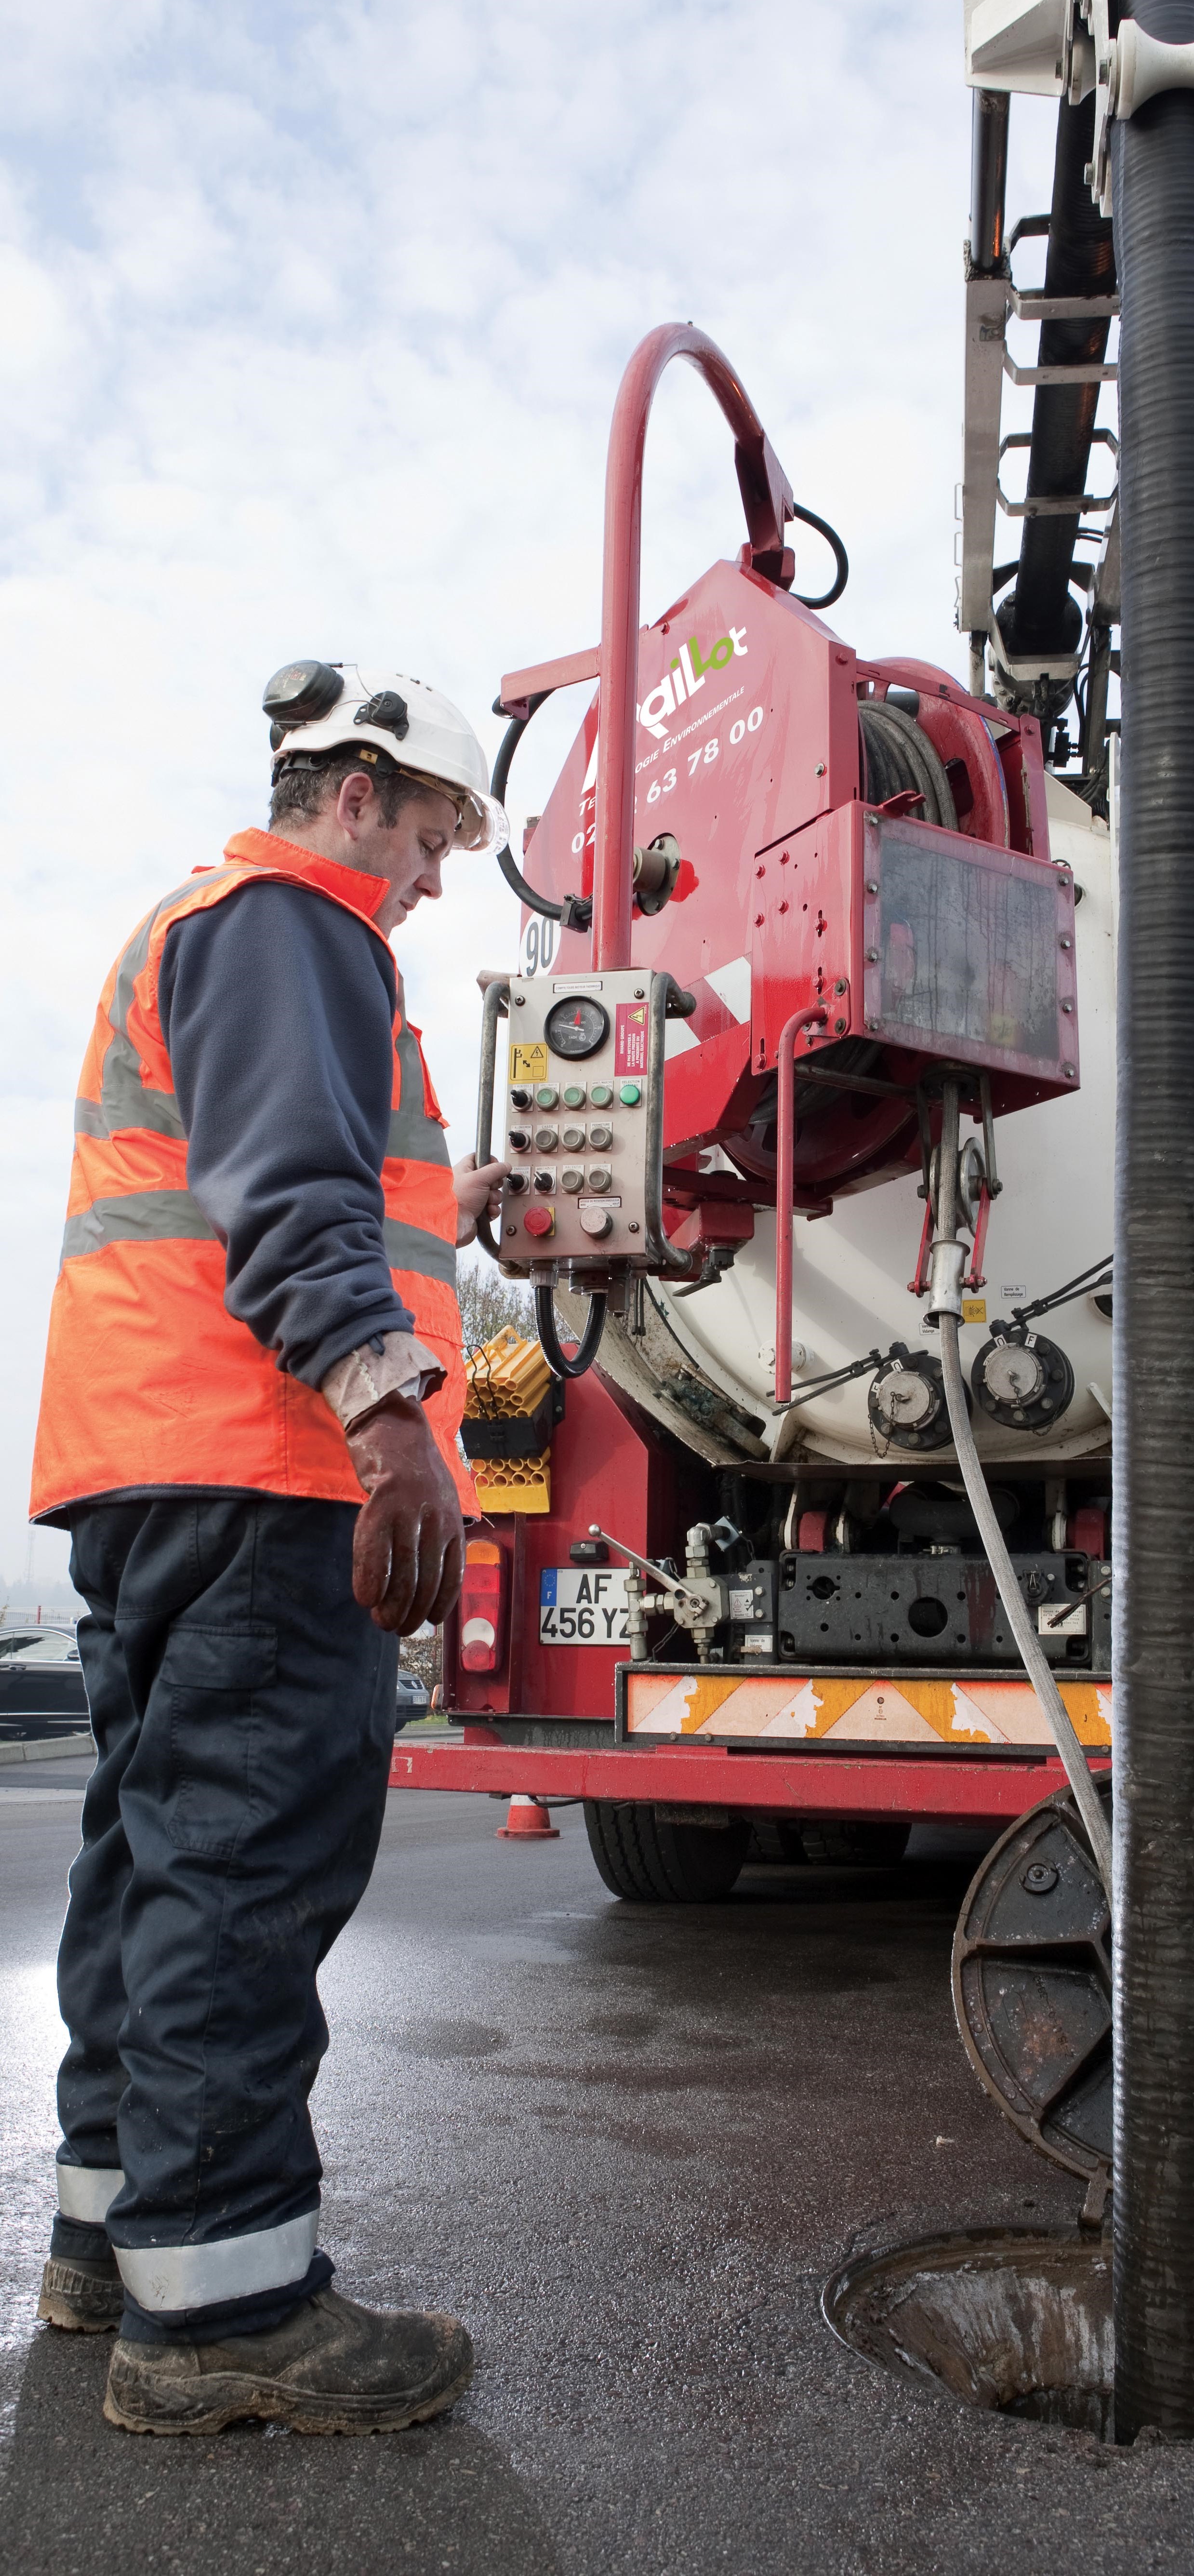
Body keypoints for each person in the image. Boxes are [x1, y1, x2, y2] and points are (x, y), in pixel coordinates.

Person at [28, 662, 510, 2436]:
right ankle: (226, 2311)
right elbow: (294, 1201)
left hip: (155, 1470)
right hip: (269, 1467)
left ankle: (115, 2244)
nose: (440, 880)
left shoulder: (203, 926)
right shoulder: (293, 924)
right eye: (441, 834)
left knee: (156, 1863)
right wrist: (393, 1426)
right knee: (243, 1867)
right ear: (362, 791)